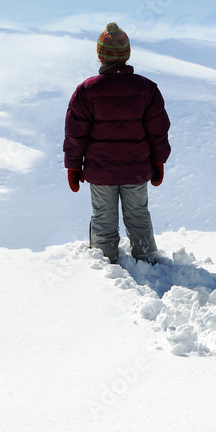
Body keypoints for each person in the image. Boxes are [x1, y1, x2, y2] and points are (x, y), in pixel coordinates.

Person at [63, 22, 170, 264]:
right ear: (126, 54)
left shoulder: (87, 91)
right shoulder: (147, 89)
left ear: (101, 55)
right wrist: (158, 161)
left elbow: (75, 133)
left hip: (101, 170)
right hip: (136, 168)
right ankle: (147, 260)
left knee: (103, 217)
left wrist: (73, 166)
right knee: (138, 215)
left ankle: (104, 263)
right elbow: (158, 131)